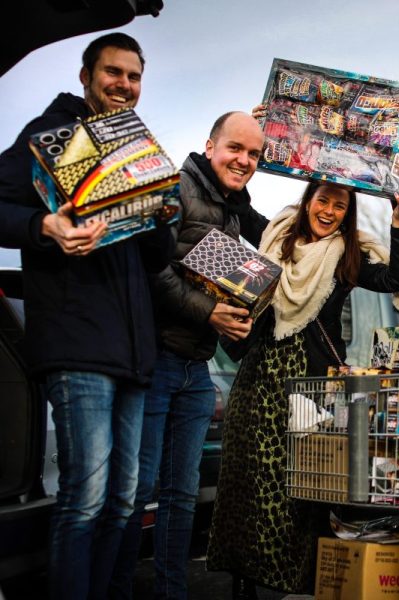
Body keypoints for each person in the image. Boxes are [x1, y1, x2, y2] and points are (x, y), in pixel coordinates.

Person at [0, 33, 174, 600]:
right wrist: (42, 227)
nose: (124, 84)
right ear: (85, 76)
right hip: (76, 345)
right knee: (85, 498)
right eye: (114, 72)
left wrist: (161, 213)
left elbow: (158, 255)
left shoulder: (133, 149)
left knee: (125, 501)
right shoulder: (50, 134)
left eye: (134, 76)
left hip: (131, 350)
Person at [205, 181, 399, 598]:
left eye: (340, 205)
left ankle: (301, 582)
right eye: (323, 200)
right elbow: (240, 206)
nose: (329, 211)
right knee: (247, 482)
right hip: (258, 380)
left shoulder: (344, 256)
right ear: (308, 202)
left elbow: (394, 277)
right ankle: (243, 580)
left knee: (304, 487)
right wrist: (267, 136)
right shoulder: (275, 237)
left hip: (309, 388)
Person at [109, 112, 268, 600]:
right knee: (133, 494)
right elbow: (152, 270)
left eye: (254, 153)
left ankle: (171, 592)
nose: (243, 160)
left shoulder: (231, 210)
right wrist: (211, 316)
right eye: (234, 149)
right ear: (210, 146)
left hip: (195, 370)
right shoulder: (176, 187)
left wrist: (237, 317)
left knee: (180, 497)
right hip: (155, 362)